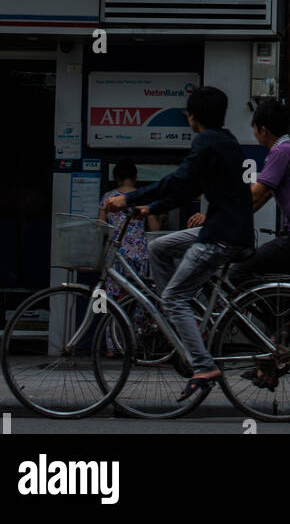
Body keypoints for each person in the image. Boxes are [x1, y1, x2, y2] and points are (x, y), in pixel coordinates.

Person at [105, 85, 253, 400]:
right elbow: (188, 189)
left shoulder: (206, 142)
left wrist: (128, 197)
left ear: (192, 117)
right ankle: (173, 310)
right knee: (158, 247)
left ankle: (203, 365)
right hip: (227, 229)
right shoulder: (225, 140)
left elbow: (177, 180)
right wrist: (151, 208)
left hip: (221, 236)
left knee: (175, 297)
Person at [225, 98, 290, 286]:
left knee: (238, 272)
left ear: (263, 130)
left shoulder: (280, 152)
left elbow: (255, 195)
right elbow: (264, 196)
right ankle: (286, 314)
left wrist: (220, 217)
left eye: (254, 128)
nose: (254, 133)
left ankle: (270, 317)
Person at [98, 158, 162, 356]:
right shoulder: (143, 199)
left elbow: (101, 227)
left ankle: (111, 347)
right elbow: (154, 229)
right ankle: (132, 345)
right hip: (138, 257)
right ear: (135, 177)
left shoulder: (108, 198)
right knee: (137, 301)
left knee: (113, 301)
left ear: (116, 178)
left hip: (115, 256)